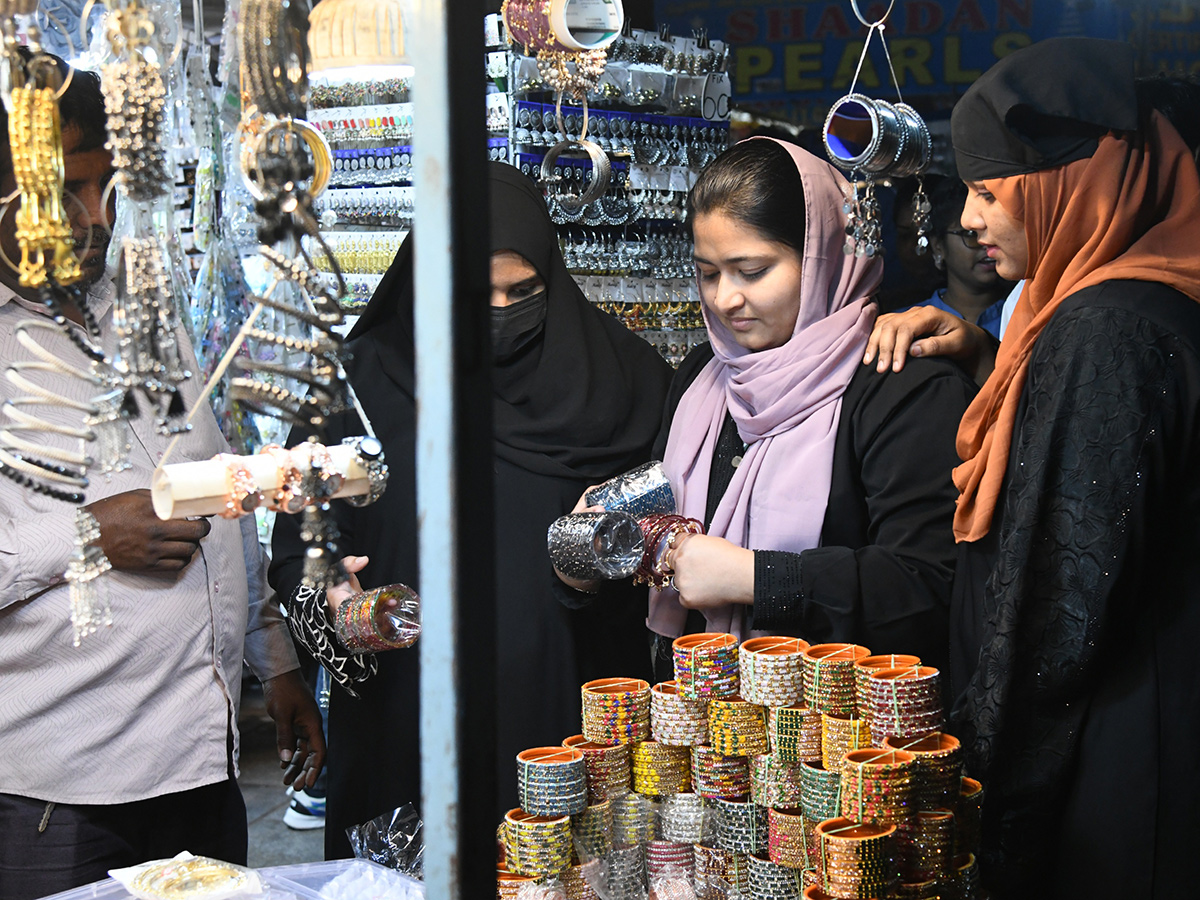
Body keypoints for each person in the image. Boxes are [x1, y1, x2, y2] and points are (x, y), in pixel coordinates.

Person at [268, 161, 671, 858]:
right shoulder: (362, 384)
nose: (500, 313)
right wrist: (337, 609)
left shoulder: (622, 384)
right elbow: (295, 560)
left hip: (569, 735)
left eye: (524, 292)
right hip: (407, 730)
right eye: (473, 294)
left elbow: (666, 562)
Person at [0, 58, 324, 900]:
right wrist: (91, 536)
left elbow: (212, 486)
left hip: (200, 766)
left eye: (107, 184)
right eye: (67, 189)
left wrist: (275, 662)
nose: (94, 216)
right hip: (60, 796)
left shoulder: (141, 307)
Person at [932, 37, 1200, 897]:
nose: (969, 219)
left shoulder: (1106, 334)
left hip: (1107, 772)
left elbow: (1058, 614)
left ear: (1067, 185)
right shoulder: (1144, 299)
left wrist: (983, 809)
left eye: (986, 189)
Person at [631, 138, 974, 679]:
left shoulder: (899, 384)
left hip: (846, 740)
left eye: (752, 270)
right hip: (703, 731)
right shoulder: (704, 374)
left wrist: (756, 578)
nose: (724, 300)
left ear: (823, 260)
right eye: (709, 272)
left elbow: (926, 585)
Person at [895, 175, 1013, 338]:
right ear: (938, 247)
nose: (986, 242)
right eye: (970, 234)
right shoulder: (906, 325)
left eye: (993, 230)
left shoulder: (1022, 316)